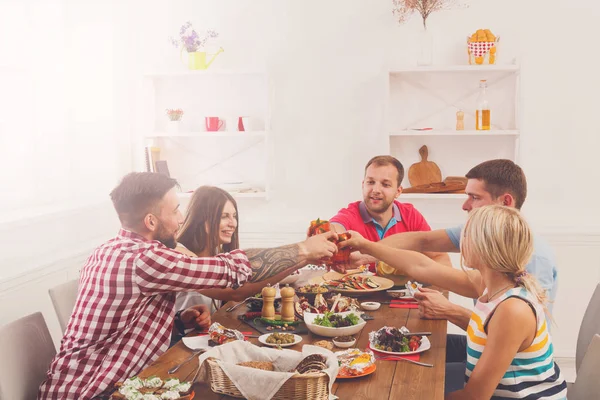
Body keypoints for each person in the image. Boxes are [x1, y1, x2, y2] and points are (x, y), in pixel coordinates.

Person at [38, 172, 338, 400]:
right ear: (152, 221)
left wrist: (176, 321)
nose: (181, 218)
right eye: (176, 210)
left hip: (74, 384)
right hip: (95, 393)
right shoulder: (146, 259)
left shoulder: (109, 249)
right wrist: (304, 250)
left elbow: (118, 321)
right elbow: (234, 271)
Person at [349, 159, 559, 393]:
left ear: (488, 244)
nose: (460, 241)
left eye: (468, 234)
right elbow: (422, 266)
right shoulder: (493, 282)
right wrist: (366, 247)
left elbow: (474, 397)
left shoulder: (513, 308)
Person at [174, 186, 296, 314]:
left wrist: (300, 260)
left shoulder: (216, 254)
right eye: (224, 216)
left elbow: (247, 282)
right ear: (203, 219)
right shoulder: (181, 255)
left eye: (234, 216)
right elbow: (236, 293)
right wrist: (304, 255)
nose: (233, 223)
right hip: (185, 333)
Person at [329, 155, 450, 272]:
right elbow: (334, 228)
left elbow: (439, 257)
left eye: (385, 184)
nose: (375, 190)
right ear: (363, 185)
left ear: (398, 191)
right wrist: (329, 236)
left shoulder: (410, 215)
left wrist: (435, 289)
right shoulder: (350, 214)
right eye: (370, 182)